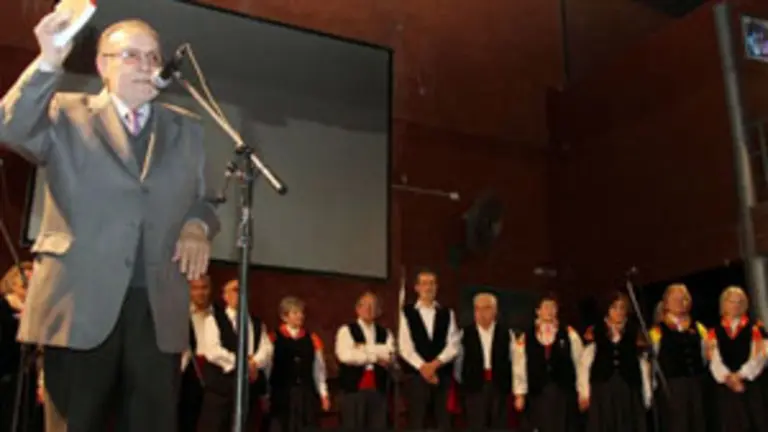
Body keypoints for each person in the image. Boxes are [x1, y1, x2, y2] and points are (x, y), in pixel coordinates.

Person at [0, 10, 220, 432]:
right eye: (132, 56)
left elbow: (205, 201)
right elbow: (9, 128)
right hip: (78, 301)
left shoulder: (186, 128)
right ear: (102, 65)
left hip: (157, 309)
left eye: (153, 58)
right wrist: (47, 61)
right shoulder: (64, 112)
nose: (146, 66)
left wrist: (198, 226)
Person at [198, 279, 273, 432]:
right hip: (221, 390)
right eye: (235, 290)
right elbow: (213, 351)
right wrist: (243, 363)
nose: (240, 294)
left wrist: (255, 363)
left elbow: (266, 349)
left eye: (243, 290)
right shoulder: (214, 320)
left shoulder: (257, 323)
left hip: (248, 391)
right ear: (225, 296)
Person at [578, 292, 651, 432]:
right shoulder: (596, 331)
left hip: (628, 387)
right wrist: (584, 392)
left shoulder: (634, 331)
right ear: (608, 310)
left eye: (622, 308)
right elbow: (585, 363)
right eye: (614, 308)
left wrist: (646, 392)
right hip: (604, 388)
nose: (618, 312)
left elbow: (642, 364)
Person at [398, 268, 460, 430]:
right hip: (416, 378)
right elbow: (405, 347)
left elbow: (453, 345)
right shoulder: (406, 313)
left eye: (432, 283)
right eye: (424, 283)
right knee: (417, 423)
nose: (428, 287)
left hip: (442, 377)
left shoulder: (447, 313)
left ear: (437, 287)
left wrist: (434, 365)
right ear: (417, 287)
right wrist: (424, 368)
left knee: (443, 423)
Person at [513, 293, 584, 432]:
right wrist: (519, 394)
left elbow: (580, 364)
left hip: (563, 394)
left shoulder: (570, 334)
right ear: (537, 311)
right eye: (545, 307)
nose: (549, 311)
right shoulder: (526, 337)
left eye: (552, 307)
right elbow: (519, 367)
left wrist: (583, 392)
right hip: (537, 394)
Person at [649, 284, 709, 432]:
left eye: (684, 298)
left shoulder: (698, 327)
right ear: (666, 303)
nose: (680, 302)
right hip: (672, 387)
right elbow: (651, 362)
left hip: (697, 384)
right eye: (675, 298)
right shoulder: (657, 331)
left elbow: (706, 355)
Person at [708, 286, 768, 432]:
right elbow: (713, 359)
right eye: (731, 301)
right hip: (727, 387)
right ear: (724, 304)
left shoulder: (755, 328)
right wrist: (728, 378)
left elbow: (760, 356)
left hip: (752, 385)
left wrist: (741, 375)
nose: (735, 305)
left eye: (739, 302)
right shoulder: (714, 332)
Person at [453, 292, 514, 430]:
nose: (481, 313)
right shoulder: (464, 333)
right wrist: (465, 382)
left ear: (495, 310)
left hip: (499, 387)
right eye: (477, 308)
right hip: (474, 388)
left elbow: (512, 360)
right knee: (476, 425)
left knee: (499, 426)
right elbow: (458, 364)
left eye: (486, 308)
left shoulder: (506, 333)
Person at [268, 296, 330, 432]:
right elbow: (268, 368)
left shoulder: (312, 339)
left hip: (305, 395)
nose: (300, 316)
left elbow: (319, 370)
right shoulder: (274, 338)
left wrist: (323, 393)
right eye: (295, 313)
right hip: (282, 395)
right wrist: (266, 394)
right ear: (284, 316)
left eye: (301, 313)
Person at [335, 291, 394, 430]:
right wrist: (374, 356)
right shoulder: (346, 330)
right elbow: (346, 356)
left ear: (378, 310)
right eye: (365, 305)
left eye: (372, 306)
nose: (369, 309)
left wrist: (363, 349)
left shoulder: (385, 333)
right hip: (354, 390)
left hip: (379, 390)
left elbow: (390, 355)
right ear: (358, 309)